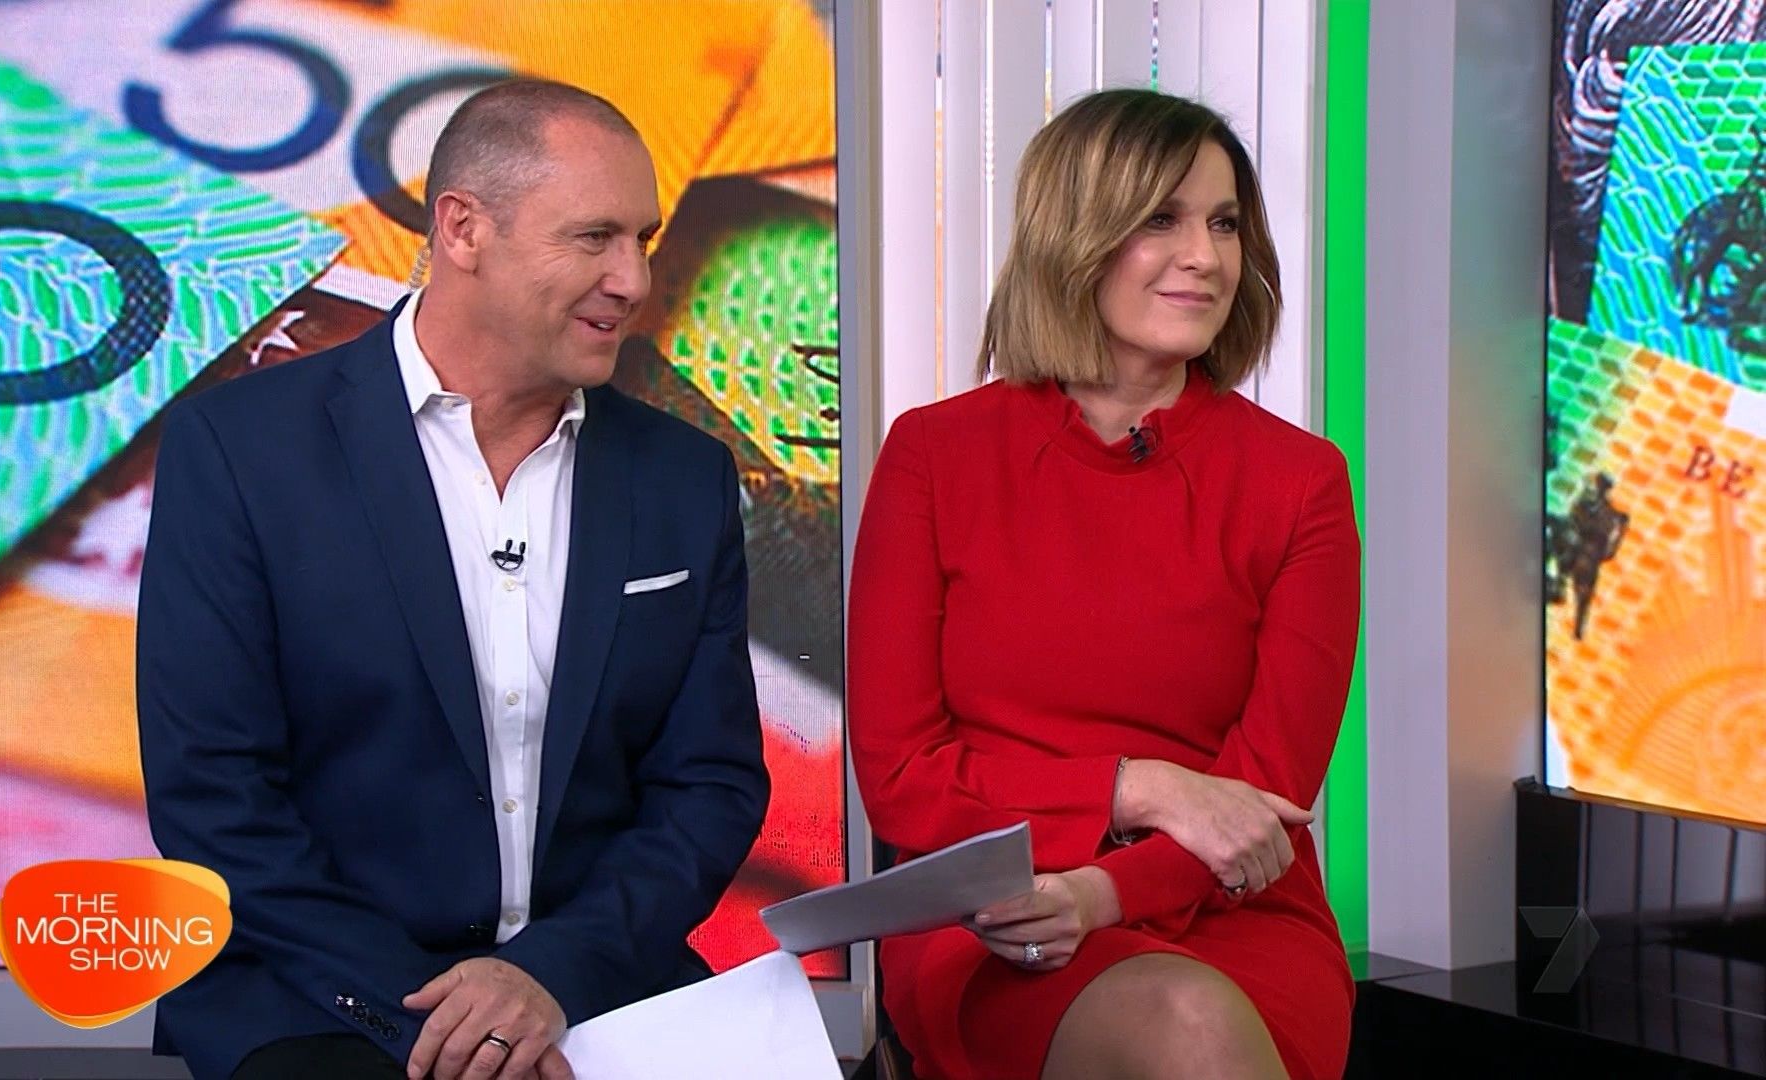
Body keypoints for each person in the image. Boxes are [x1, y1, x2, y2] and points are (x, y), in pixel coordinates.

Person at [137, 79, 769, 1080]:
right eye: (595, 238)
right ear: (463, 229)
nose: (633, 280)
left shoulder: (682, 477)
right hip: (323, 998)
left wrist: (550, 976)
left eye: (641, 240)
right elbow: (214, 798)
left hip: (591, 986)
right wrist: (455, 1027)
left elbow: (708, 785)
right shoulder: (241, 448)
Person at [849, 88, 1360, 1080]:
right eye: (1161, 219)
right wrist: (1143, 787)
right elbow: (903, 780)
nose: (1206, 256)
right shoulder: (934, 456)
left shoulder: (1300, 481)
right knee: (1181, 1020)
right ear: (1073, 237)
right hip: (1001, 911)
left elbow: (1266, 798)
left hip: (1231, 906)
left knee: (1196, 1018)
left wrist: (1108, 892)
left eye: (1224, 224)